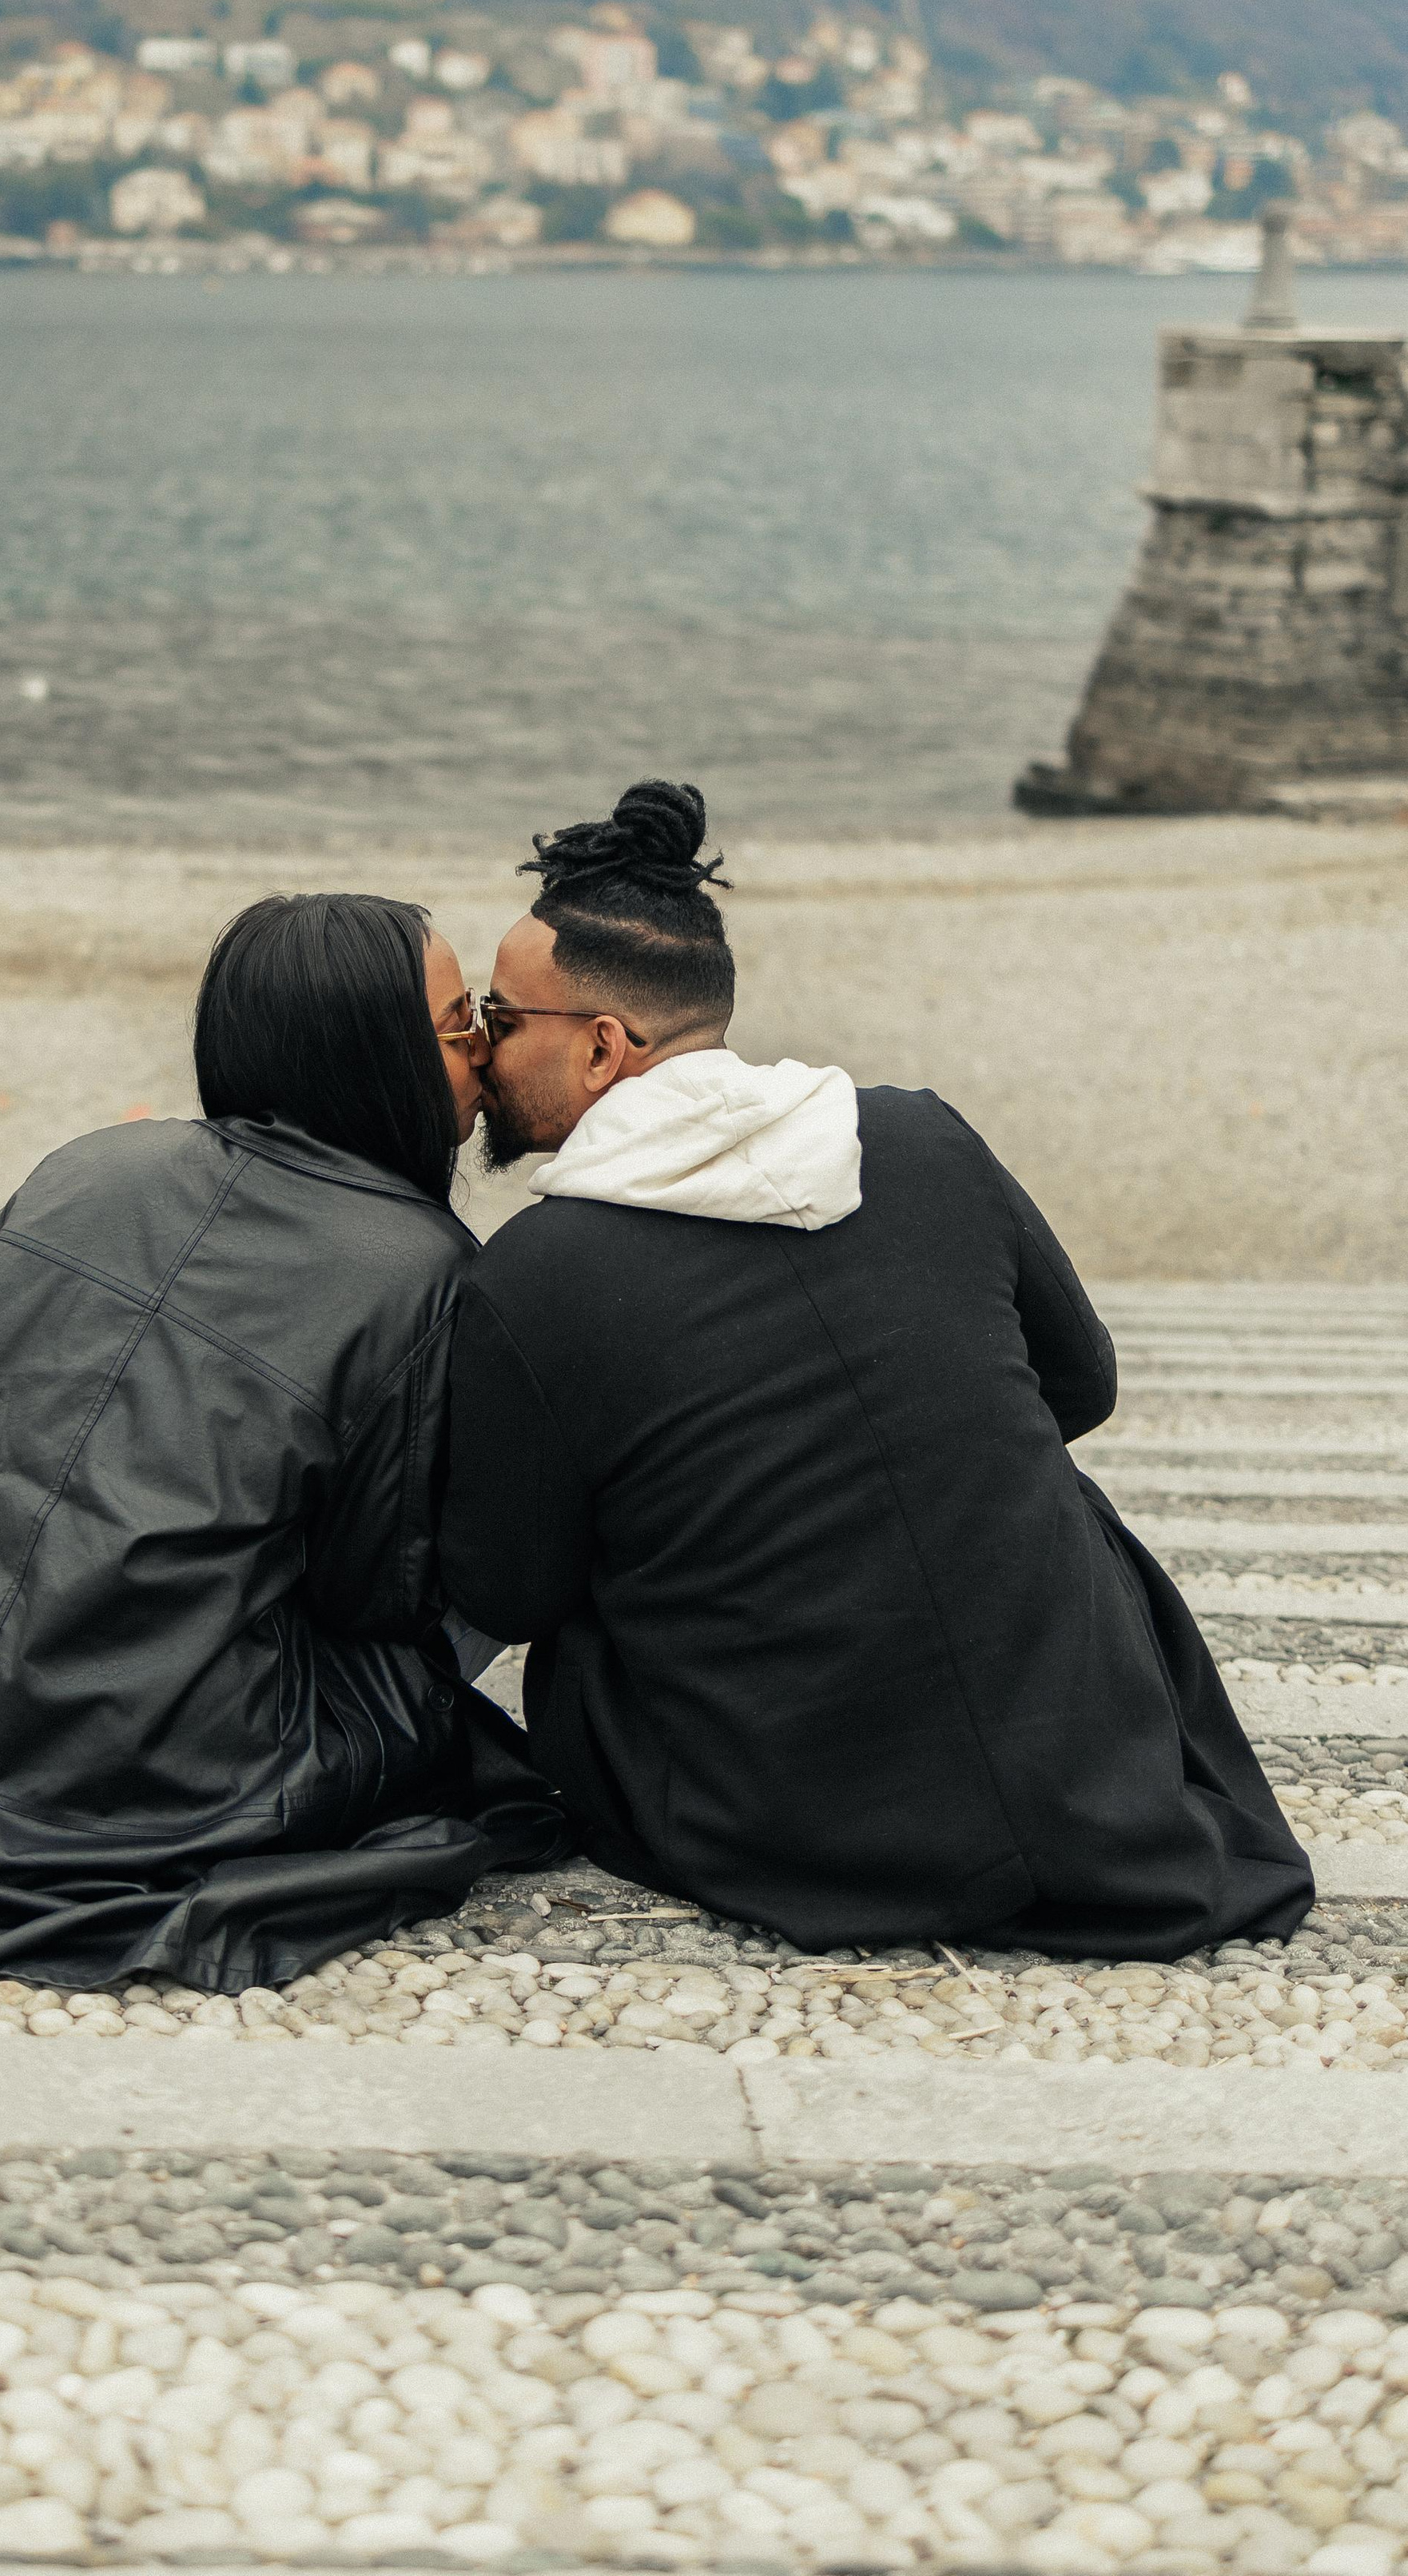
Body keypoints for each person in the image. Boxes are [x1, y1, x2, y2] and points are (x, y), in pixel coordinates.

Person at [438, 778, 1313, 1961]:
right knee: (1052, 1489)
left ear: (602, 1046)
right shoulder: (918, 1135)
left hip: (795, 1822)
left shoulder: (534, 1274)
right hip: (1089, 1786)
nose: (482, 1050)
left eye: (501, 1017)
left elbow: (515, 1586)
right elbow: (1082, 1386)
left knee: (595, 1602)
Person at [0, 893, 566, 1989]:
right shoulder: (422, 1270)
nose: (484, 1052)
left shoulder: (87, 1165)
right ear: (376, 1059)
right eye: (461, 1025)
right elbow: (377, 1597)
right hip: (156, 1786)